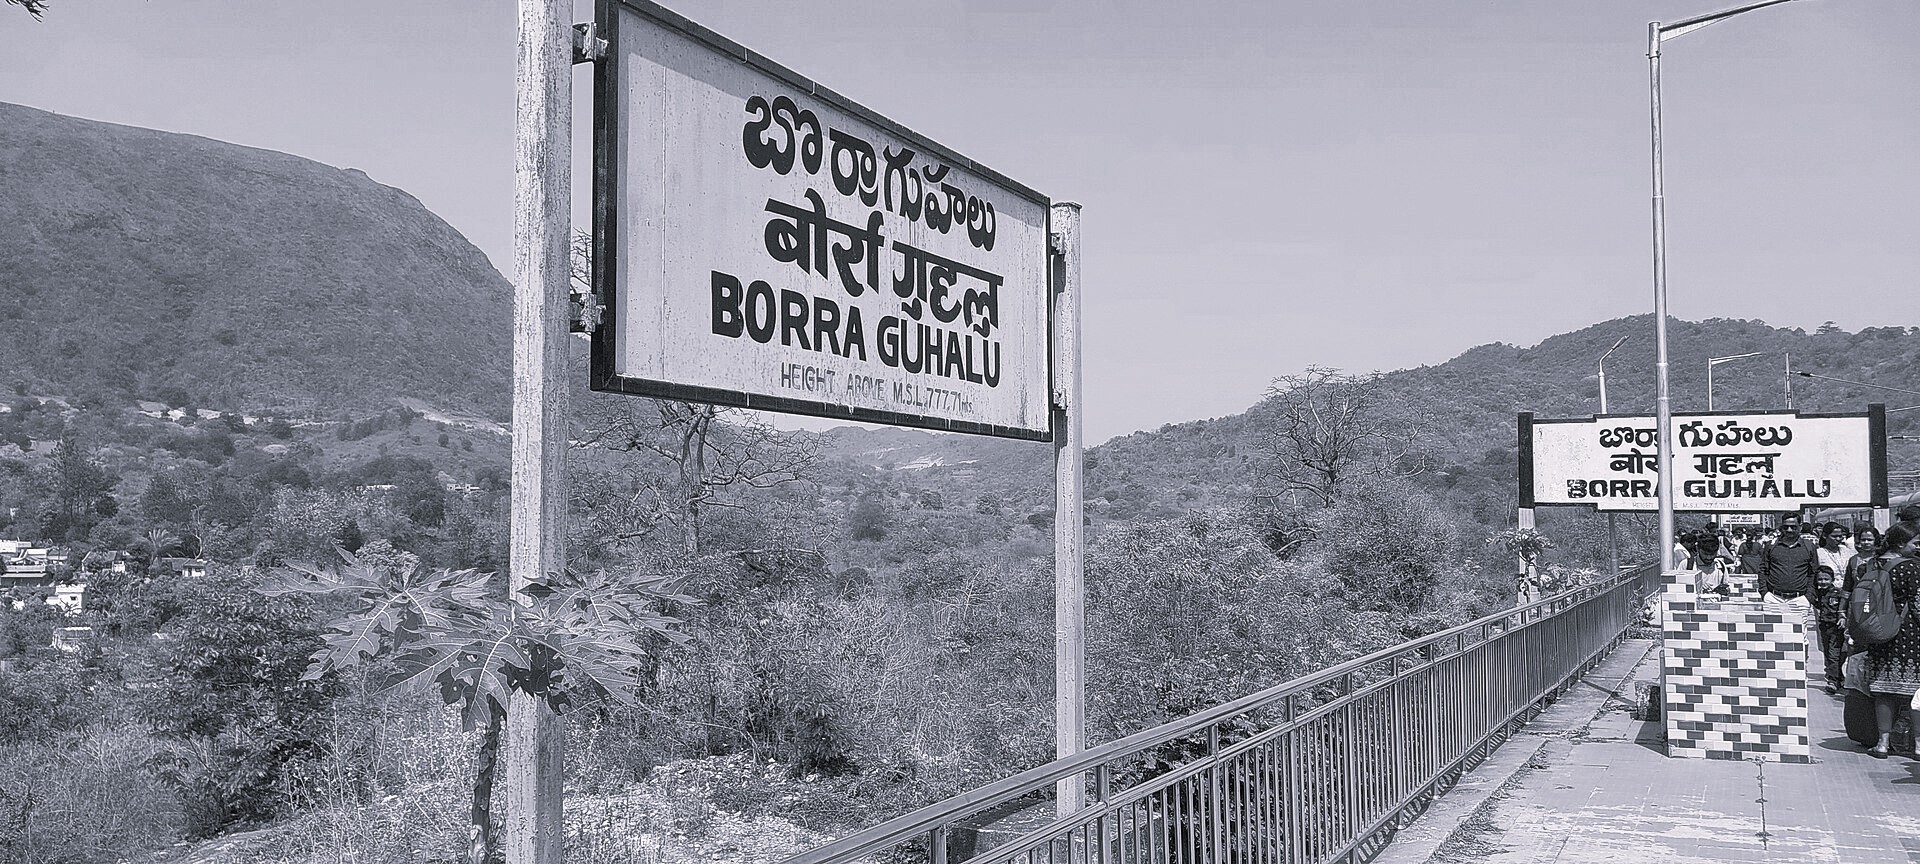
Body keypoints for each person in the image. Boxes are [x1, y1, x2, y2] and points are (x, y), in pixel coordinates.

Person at [1860, 522, 1920, 758]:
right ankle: (1917, 745)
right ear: (1899, 543)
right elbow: (1918, 606)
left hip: (1878, 633)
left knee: (1882, 691)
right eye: (1915, 543)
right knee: (1915, 694)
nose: (1918, 547)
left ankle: (1882, 744)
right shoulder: (1912, 568)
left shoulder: (1871, 564)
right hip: (1909, 634)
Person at [1760, 516, 1821, 672]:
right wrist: (1764, 593)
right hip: (1773, 598)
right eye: (1786, 527)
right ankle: (1776, 670)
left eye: (1793, 527)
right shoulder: (1771, 546)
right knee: (1773, 635)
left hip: (1799, 598)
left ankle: (1801, 669)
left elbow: (1813, 572)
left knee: (1800, 637)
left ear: (1799, 527)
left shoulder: (1808, 547)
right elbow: (1763, 570)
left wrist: (1809, 596)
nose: (1789, 530)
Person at [1814, 523, 1853, 692]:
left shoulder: (1848, 551)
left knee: (1844, 641)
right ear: (1825, 536)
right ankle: (1832, 676)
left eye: (1840, 536)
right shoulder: (1818, 553)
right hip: (1826, 602)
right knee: (1829, 641)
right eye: (1834, 536)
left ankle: (1836, 672)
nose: (1838, 539)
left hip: (1847, 599)